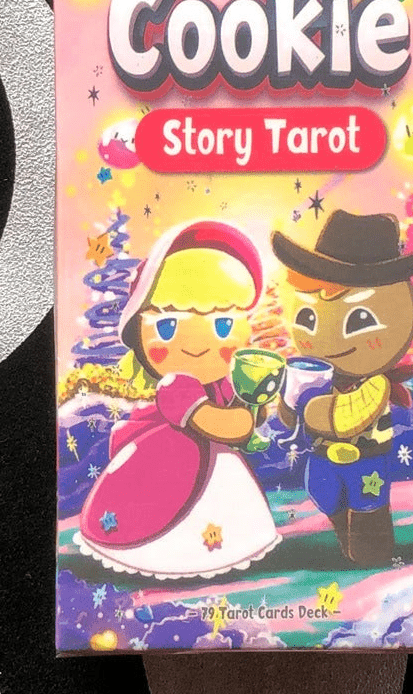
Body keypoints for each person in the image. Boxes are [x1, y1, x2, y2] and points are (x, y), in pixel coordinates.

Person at [74, 221, 281, 578]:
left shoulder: (224, 381)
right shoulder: (175, 386)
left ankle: (224, 550)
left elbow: (242, 413)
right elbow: (220, 424)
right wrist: (245, 420)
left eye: (222, 326)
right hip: (171, 471)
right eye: (167, 326)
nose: (197, 344)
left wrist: (254, 402)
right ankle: (167, 555)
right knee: (171, 518)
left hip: (213, 465)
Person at [273, 211, 413, 567]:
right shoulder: (317, 373)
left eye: (360, 319)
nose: (325, 337)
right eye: (308, 318)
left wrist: (306, 405)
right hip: (323, 460)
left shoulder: (375, 382)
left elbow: (344, 418)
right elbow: (291, 418)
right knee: (323, 493)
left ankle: (369, 547)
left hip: (366, 463)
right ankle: (343, 533)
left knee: (367, 513)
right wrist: (288, 401)